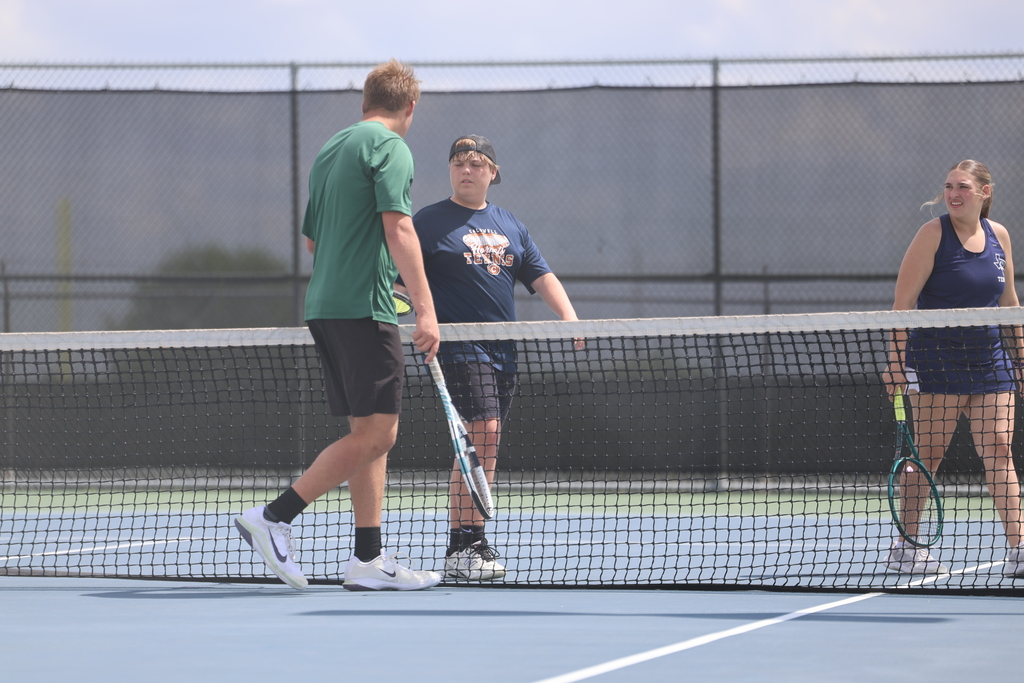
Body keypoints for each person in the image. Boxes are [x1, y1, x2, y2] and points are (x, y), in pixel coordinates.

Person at [234, 59, 442, 591]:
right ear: (410, 108)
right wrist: (425, 307)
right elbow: (399, 228)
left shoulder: (332, 149)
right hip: (361, 309)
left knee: (368, 436)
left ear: (364, 102)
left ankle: (367, 561)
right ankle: (275, 516)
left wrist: (369, 270)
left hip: (326, 305)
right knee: (380, 432)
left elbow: (314, 240)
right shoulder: (391, 148)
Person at [399, 135, 582, 581]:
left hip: (504, 350)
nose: (467, 169)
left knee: (482, 446)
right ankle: (469, 542)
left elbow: (540, 274)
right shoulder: (428, 222)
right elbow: (398, 277)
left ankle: (464, 545)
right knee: (485, 432)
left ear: (492, 173)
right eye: (459, 162)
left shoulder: (510, 225)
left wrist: (571, 317)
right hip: (458, 347)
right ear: (450, 171)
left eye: (477, 163)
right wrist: (415, 311)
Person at [882, 159, 1024, 578]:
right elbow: (902, 306)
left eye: (962, 186)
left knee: (999, 449)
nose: (952, 193)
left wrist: (1021, 357)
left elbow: (1009, 303)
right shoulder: (931, 235)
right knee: (928, 454)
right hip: (937, 362)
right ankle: (907, 546)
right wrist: (895, 364)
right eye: (948, 186)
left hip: (991, 362)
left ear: (983, 191)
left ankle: (1020, 548)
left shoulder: (999, 236)